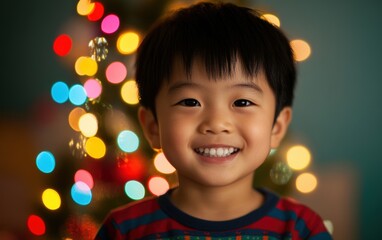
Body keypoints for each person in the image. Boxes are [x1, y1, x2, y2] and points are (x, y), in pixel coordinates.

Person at [95, 2, 332, 239]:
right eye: (190, 102)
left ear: (277, 127)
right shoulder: (124, 230)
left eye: (242, 102)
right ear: (152, 126)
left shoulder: (302, 229)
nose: (217, 122)